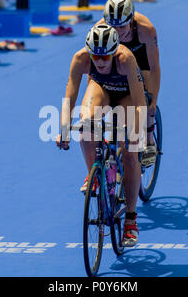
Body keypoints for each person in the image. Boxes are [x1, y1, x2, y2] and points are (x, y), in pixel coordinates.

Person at [56, 24, 147, 247]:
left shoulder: (126, 59)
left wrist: (136, 132)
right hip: (103, 90)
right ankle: (94, 173)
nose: (100, 62)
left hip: (126, 96)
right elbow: (70, 96)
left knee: (129, 152)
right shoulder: (80, 58)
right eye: (95, 56)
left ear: (115, 51)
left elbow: (139, 103)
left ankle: (130, 220)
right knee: (86, 124)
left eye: (105, 57)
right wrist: (64, 129)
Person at [97, 0, 161, 167]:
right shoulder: (100, 29)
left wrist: (153, 102)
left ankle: (148, 140)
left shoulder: (146, 30)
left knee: (146, 101)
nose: (117, 31)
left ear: (131, 19)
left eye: (122, 26)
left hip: (141, 61)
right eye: (113, 26)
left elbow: (154, 67)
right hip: (118, 61)